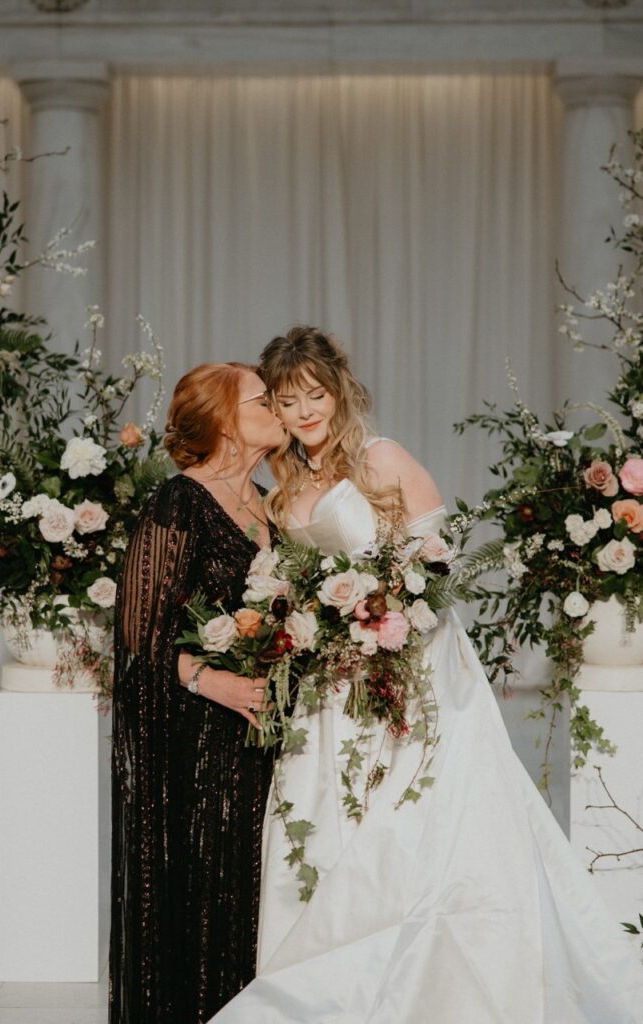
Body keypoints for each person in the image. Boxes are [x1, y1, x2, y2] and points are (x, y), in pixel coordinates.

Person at [211, 328, 643, 1024]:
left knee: (429, 824)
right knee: (332, 821)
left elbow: (438, 567)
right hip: (334, 686)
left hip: (417, 666)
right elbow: (286, 586)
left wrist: (385, 609)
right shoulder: (281, 489)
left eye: (315, 394)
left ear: (340, 389)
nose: (305, 412)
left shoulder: (384, 460)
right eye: (288, 402)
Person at [109, 362, 285, 1024]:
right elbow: (136, 638)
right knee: (207, 894)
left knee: (257, 897)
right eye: (262, 399)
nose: (278, 407)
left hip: (268, 737)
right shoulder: (177, 502)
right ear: (219, 418)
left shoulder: (270, 500)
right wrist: (218, 682)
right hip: (199, 741)